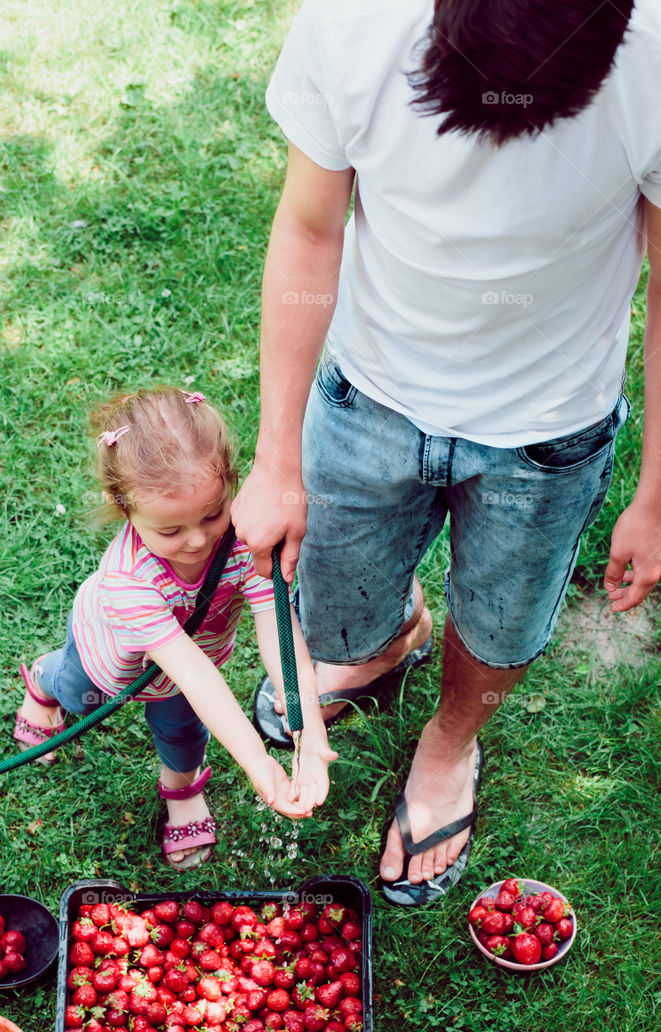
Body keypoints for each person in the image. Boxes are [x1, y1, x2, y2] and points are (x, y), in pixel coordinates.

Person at [232, 0, 661, 904]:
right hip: (367, 394)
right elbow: (311, 229)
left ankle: (450, 742)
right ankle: (380, 648)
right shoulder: (352, 21)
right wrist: (275, 459)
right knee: (333, 616)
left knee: (501, 627)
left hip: (547, 432)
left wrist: (654, 492)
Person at [15, 386, 336, 870]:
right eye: (170, 530)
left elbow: (279, 633)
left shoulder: (248, 539)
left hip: (180, 676)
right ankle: (43, 683)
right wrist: (259, 763)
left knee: (184, 733)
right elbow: (197, 675)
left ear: (230, 482)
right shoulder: (128, 582)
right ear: (123, 506)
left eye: (213, 514)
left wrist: (309, 729)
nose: (198, 540)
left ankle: (182, 790)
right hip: (107, 656)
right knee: (75, 688)